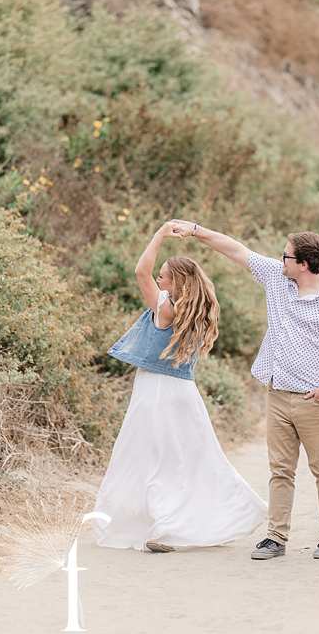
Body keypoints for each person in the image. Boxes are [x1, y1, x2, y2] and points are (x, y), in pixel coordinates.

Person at [169, 220, 319, 561]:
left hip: (313, 401)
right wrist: (196, 230)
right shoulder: (277, 277)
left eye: (285, 256)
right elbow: (236, 250)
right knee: (279, 471)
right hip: (277, 394)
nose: (279, 259)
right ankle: (275, 537)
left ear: (303, 264)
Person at [92, 222, 267, 553]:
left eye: (164, 276)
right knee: (189, 460)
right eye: (160, 275)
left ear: (176, 283)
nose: (158, 279)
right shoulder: (198, 315)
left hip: (155, 392)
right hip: (185, 395)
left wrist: (158, 234)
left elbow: (139, 271)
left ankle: (164, 526)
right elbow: (148, 274)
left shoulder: (167, 309)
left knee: (149, 458)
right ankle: (200, 517)